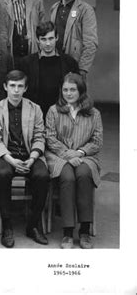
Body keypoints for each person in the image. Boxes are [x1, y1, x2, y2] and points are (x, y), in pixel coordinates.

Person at [0, 70, 50, 248]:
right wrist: (10, 159)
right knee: (2, 173)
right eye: (12, 86)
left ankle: (34, 225)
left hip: (30, 154)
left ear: (26, 88)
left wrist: (32, 158)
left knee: (42, 175)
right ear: (5, 87)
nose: (16, 90)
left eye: (20, 86)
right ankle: (7, 225)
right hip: (6, 155)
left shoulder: (35, 108)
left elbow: (39, 136)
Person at [45, 73, 103, 249]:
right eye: (65, 90)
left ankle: (84, 231)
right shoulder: (53, 111)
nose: (68, 93)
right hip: (59, 156)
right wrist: (68, 154)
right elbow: (50, 138)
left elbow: (97, 141)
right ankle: (68, 232)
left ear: (81, 91)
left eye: (72, 90)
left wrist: (79, 152)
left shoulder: (93, 113)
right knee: (67, 178)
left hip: (86, 157)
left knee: (84, 175)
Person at [17, 21, 79, 116]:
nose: (48, 43)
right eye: (43, 39)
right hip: (35, 115)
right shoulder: (26, 63)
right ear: (37, 40)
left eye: (51, 38)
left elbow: (78, 90)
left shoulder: (69, 62)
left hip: (62, 113)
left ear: (57, 37)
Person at [50, 0, 98, 81]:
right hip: (55, 62)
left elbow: (91, 43)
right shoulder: (54, 8)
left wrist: (82, 69)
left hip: (74, 64)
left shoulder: (85, 9)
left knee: (75, 96)